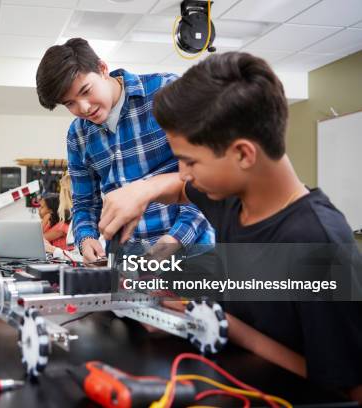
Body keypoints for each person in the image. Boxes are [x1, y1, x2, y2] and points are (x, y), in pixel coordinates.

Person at [98, 52, 362, 401]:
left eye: (189, 161)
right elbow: (180, 189)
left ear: (242, 154)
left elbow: (347, 388)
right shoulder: (231, 198)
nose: (184, 172)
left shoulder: (316, 241)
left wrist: (230, 328)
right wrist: (142, 191)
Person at [35, 38, 214, 264]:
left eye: (86, 91)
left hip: (192, 253)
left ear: (102, 69)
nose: (84, 108)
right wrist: (86, 238)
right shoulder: (77, 135)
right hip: (126, 261)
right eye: (70, 103)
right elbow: (84, 203)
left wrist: (175, 239)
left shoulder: (167, 92)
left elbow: (210, 180)